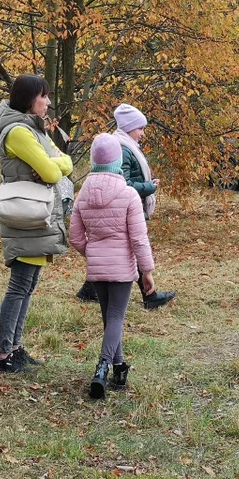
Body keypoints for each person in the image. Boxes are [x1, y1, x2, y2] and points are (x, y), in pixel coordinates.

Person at [0, 74, 71, 372]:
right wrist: (52, 167)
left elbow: (66, 162)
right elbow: (51, 173)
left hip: (36, 215)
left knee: (28, 284)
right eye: (43, 96)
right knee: (20, 284)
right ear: (28, 100)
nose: (48, 102)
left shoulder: (34, 129)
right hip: (26, 215)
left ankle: (15, 347)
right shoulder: (19, 132)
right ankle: (2, 354)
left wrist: (54, 165)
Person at [70, 134, 155, 399]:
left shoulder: (82, 193)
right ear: (118, 160)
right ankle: (102, 367)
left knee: (109, 319)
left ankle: (119, 367)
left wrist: (92, 252)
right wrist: (147, 271)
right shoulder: (128, 194)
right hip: (121, 268)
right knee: (116, 317)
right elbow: (138, 238)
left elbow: (74, 236)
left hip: (97, 267)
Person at [111, 103, 176, 309]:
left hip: (131, 207)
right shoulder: (123, 149)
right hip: (129, 208)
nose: (143, 133)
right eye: (140, 128)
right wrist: (149, 187)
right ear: (129, 127)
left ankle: (88, 290)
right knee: (135, 249)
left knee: (122, 249)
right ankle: (150, 296)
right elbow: (124, 184)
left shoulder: (127, 147)